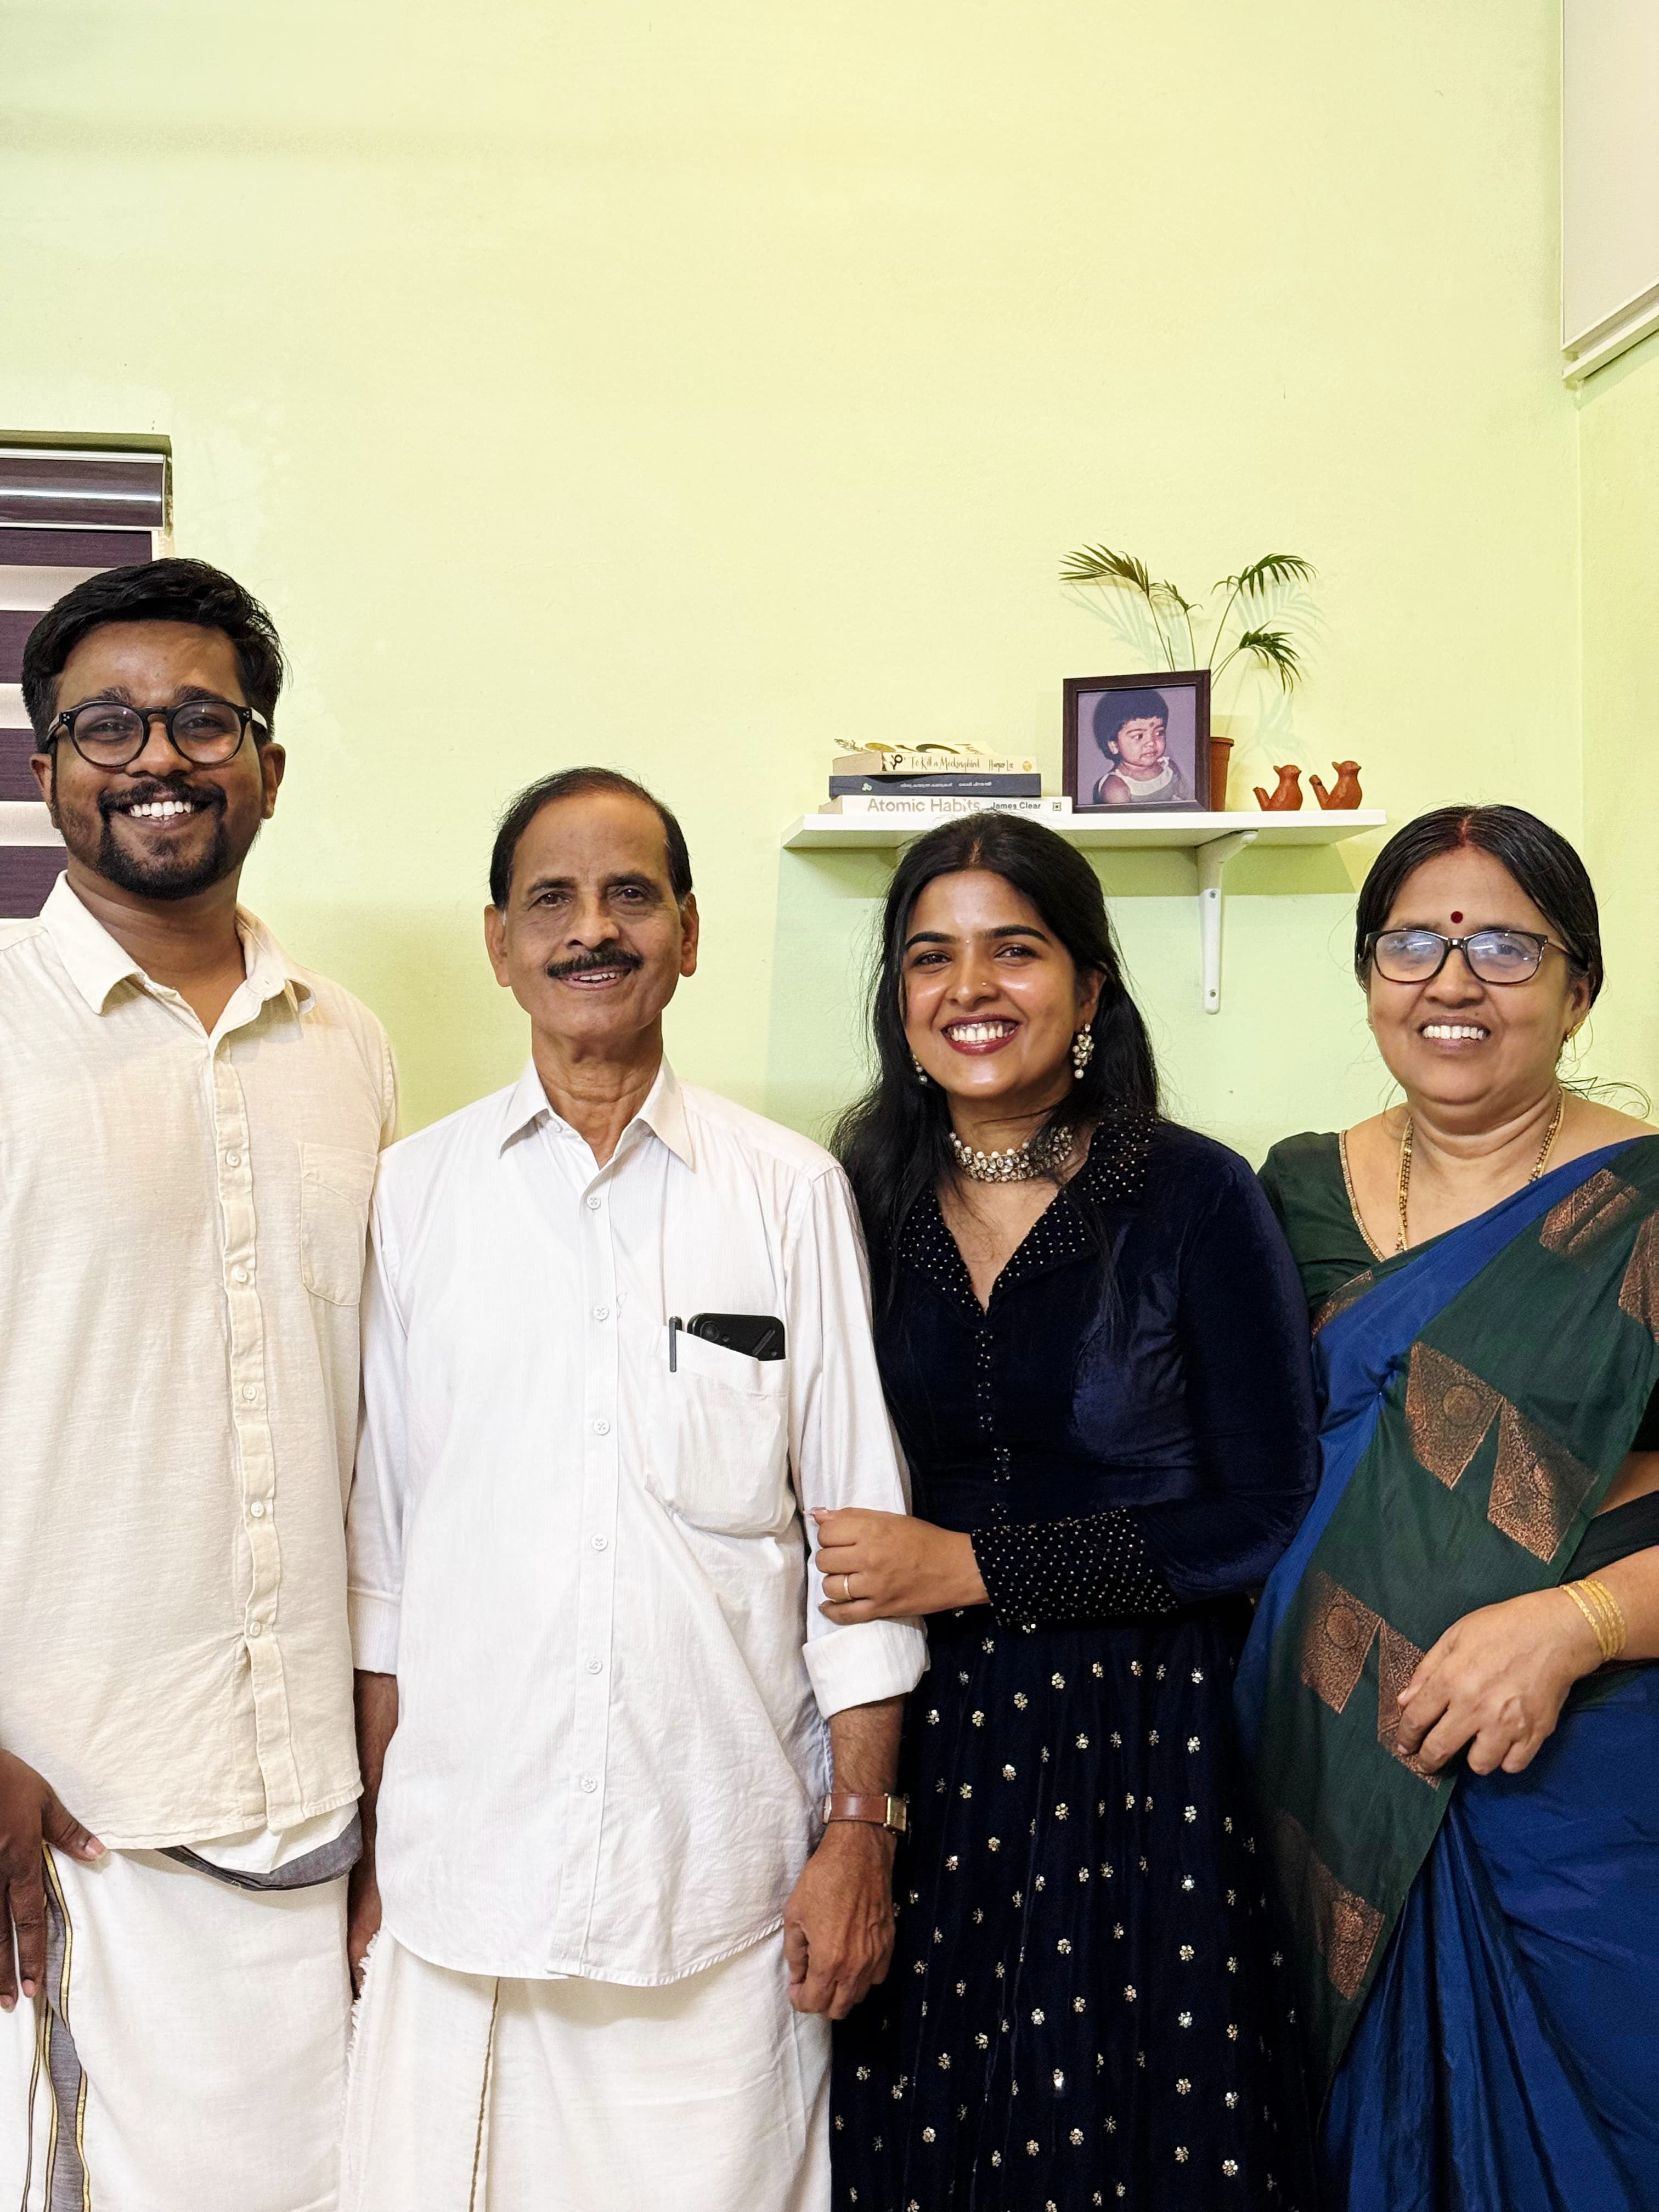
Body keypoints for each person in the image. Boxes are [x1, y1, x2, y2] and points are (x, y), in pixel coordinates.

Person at [340, 767, 927, 2212]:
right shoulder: (413, 1196)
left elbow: (857, 1550)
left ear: (689, 932)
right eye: (552, 898)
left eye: (629, 895)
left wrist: (860, 1836)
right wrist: (375, 1856)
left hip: (717, 1894)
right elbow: (386, 1564)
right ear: (499, 942)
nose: (590, 929)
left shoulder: (788, 1192)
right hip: (464, 1889)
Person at [821, 811, 1321, 2209]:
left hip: (1146, 1748)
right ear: (899, 999)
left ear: (1090, 986)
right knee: (921, 2131)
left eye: (1015, 950)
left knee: (1137, 2137)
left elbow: (1263, 1509)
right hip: (913, 1744)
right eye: (932, 957)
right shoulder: (845, 1201)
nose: (970, 988)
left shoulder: (1197, 1197)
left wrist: (975, 1567)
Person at [0, 561, 397, 2210]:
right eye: (107, 723)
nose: (156, 755)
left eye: (203, 719)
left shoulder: (351, 1045)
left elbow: (380, 1422)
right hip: (55, 1808)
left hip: (306, 1805)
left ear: (269, 766)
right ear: (48, 771)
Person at [1244, 804, 1659, 2210]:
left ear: (1578, 986)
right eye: (1414, 942)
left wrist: (1575, 1621)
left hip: (1582, 1809)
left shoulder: (1650, 1205)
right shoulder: (1291, 1194)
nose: (1453, 981)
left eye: (1503, 946)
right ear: (1370, 975)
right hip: (1325, 1796)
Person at [1091, 688, 1195, 806]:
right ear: (1114, 746)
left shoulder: (1169, 769)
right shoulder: (1116, 788)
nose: (1151, 742)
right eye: (1139, 736)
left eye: (1159, 733)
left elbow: (1190, 802)